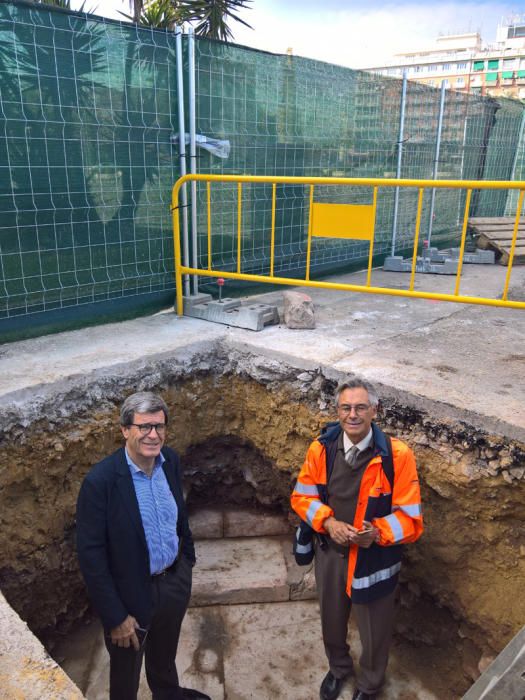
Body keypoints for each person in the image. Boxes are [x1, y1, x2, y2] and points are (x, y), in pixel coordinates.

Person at [291, 379, 423, 700]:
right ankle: (338, 669)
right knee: (332, 621)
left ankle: (369, 686)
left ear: (374, 411)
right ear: (338, 411)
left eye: (360, 407)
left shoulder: (398, 455)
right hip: (332, 553)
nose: (353, 414)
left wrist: (377, 533)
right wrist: (328, 522)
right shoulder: (321, 448)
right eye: (346, 407)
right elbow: (301, 497)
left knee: (374, 630)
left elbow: (411, 518)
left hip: (373, 558)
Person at [76, 391, 210, 700]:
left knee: (164, 655)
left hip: (174, 580)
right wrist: (115, 616)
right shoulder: (101, 482)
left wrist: (185, 563)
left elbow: (178, 516)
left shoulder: (170, 461)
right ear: (125, 430)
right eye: (144, 427)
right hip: (131, 596)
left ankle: (167, 694)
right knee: (126, 671)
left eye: (159, 426)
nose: (153, 435)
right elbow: (91, 556)